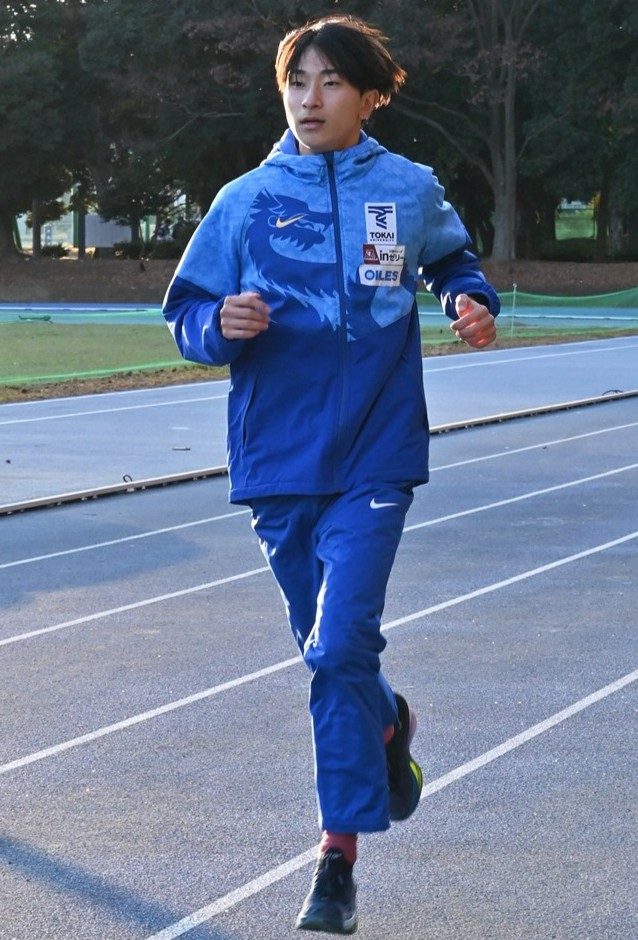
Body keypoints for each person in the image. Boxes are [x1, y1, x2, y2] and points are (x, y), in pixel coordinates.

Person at [163, 14, 499, 935]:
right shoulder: (244, 201)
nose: (309, 100)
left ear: (371, 96)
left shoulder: (408, 187)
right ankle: (387, 723)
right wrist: (216, 326)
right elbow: (186, 312)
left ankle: (336, 861)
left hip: (377, 452)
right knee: (332, 653)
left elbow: (453, 259)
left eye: (331, 83)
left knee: (340, 643)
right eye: (296, 82)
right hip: (277, 459)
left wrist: (468, 299)